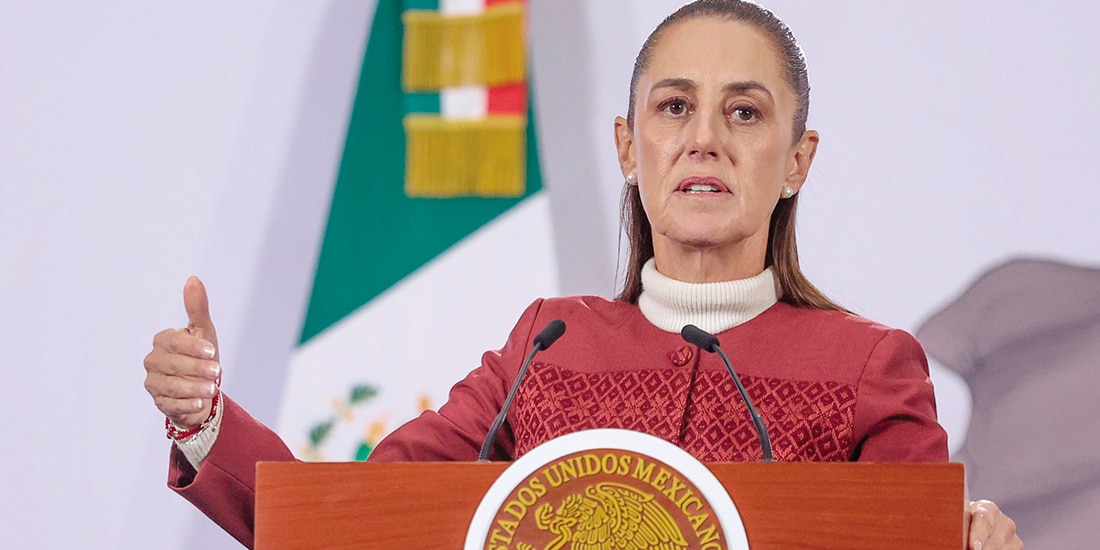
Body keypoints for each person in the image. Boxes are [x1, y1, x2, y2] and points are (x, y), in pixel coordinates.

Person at [143, 1, 1022, 548]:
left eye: (744, 112)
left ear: (797, 160)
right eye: (673, 106)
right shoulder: (546, 348)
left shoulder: (872, 367)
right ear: (627, 147)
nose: (704, 137)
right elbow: (349, 523)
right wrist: (206, 423)